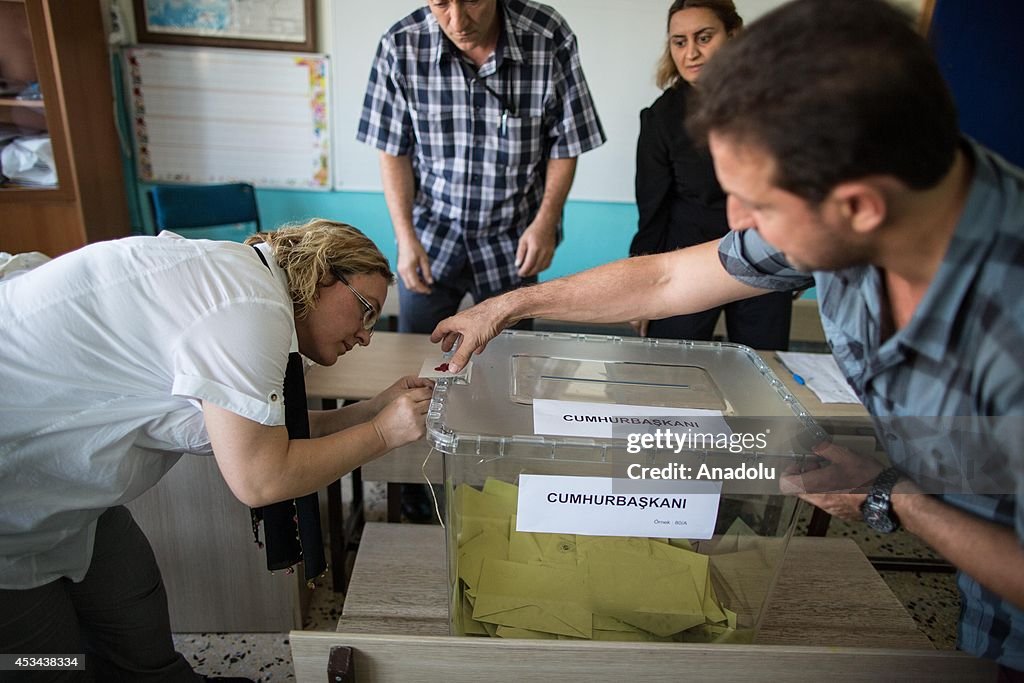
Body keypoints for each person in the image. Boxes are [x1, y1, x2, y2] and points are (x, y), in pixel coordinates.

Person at [431, 0, 1024, 674]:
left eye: (759, 205)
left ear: (860, 205)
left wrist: (894, 498)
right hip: (981, 614)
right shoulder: (856, 195)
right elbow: (663, 281)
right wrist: (506, 306)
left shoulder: (1008, 325)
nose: (740, 224)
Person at [0, 220, 434, 681]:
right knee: (49, 664)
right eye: (365, 310)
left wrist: (371, 411)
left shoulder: (248, 286)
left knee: (138, 624)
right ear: (323, 275)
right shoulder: (250, 306)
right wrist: (382, 434)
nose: (366, 335)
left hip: (72, 495)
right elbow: (261, 479)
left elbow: (271, 438)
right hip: (15, 501)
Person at [357, 0, 605, 520]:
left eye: (470, 0)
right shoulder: (401, 44)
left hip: (513, 235)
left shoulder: (547, 34)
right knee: (424, 367)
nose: (456, 18)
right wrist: (405, 237)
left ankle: (502, 492)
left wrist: (545, 220)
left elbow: (567, 142)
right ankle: (418, 503)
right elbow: (392, 151)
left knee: (511, 366)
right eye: (440, 3)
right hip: (435, 233)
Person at [630, 0, 791, 348]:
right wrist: (640, 287)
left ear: (733, 36)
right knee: (670, 371)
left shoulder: (774, 104)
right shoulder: (661, 118)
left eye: (704, 38)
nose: (691, 53)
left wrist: (794, 260)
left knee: (764, 370)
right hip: (688, 258)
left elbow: (791, 188)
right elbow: (653, 212)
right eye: (679, 41)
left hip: (762, 253)